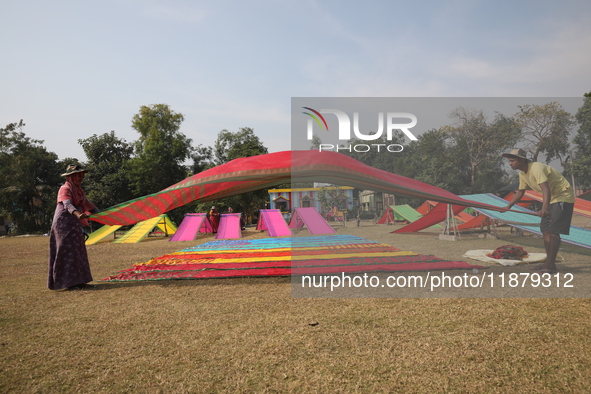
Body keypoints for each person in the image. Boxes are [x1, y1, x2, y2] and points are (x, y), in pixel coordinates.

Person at [502, 149, 575, 273]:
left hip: (562, 197)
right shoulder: (522, 174)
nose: (510, 163)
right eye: (509, 161)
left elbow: (546, 189)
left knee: (553, 231)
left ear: (521, 160)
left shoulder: (536, 168)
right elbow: (520, 192)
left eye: (512, 160)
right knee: (545, 230)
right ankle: (549, 263)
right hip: (552, 200)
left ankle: (550, 265)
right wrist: (507, 207)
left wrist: (544, 208)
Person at [47, 164, 100, 290]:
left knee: (78, 252)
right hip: (63, 225)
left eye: (82, 176)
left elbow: (86, 203)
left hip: (75, 224)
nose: (81, 178)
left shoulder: (79, 190)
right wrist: (78, 214)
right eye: (79, 175)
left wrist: (102, 214)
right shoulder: (65, 189)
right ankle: (68, 284)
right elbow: (68, 205)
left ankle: (80, 281)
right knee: (67, 253)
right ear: (71, 176)